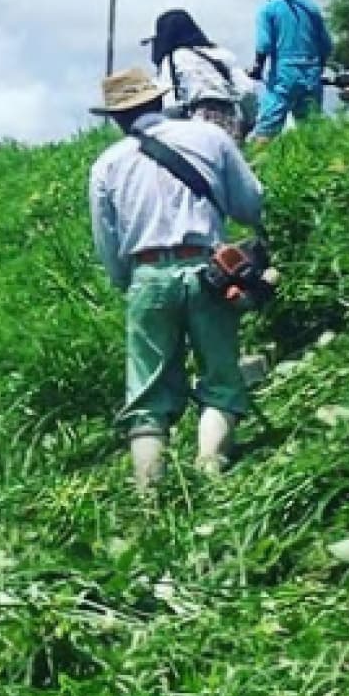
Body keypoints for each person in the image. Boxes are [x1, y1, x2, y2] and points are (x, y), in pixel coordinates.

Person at [87, 67, 266, 491]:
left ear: (117, 118)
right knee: (221, 377)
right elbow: (250, 203)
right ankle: (210, 471)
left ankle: (149, 497)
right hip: (209, 271)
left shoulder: (107, 164)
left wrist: (128, 282)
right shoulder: (209, 137)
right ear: (159, 100)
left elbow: (107, 243)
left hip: (146, 275)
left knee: (147, 394)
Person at [248, 0, 334, 140]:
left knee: (267, 126)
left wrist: (257, 68)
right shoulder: (310, 8)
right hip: (311, 74)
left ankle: (258, 156)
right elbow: (326, 45)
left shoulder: (268, 9)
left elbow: (264, 44)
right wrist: (318, 68)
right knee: (311, 128)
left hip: (284, 74)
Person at [150, 8, 248, 133]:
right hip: (231, 119)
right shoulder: (222, 54)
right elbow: (246, 91)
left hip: (197, 120)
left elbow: (170, 103)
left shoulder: (172, 59)